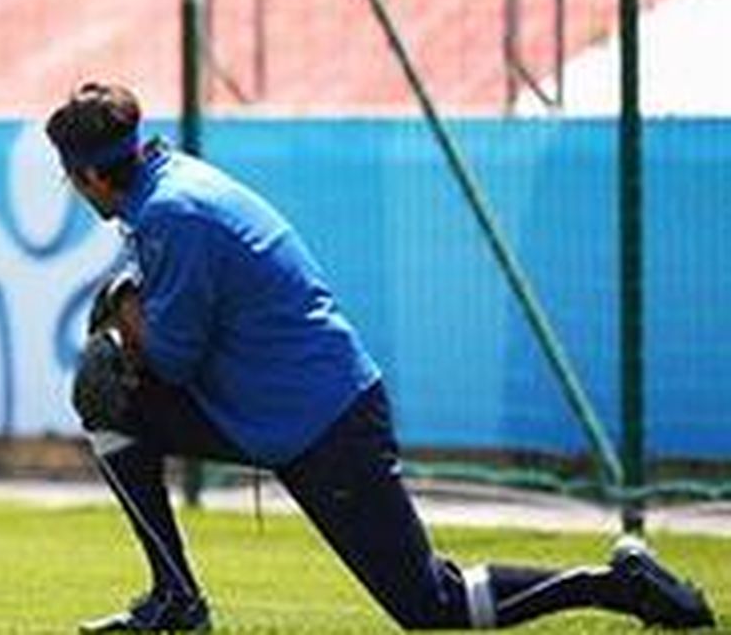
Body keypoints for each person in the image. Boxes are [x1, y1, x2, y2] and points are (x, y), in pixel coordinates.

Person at [45, 81, 715, 634]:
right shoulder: (166, 186)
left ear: (93, 174)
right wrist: (128, 321)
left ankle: (618, 585)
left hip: (323, 425)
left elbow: (177, 359)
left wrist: (124, 323)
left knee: (436, 610)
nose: (75, 188)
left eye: (72, 176)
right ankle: (176, 603)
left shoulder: (173, 214)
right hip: (278, 412)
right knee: (110, 408)